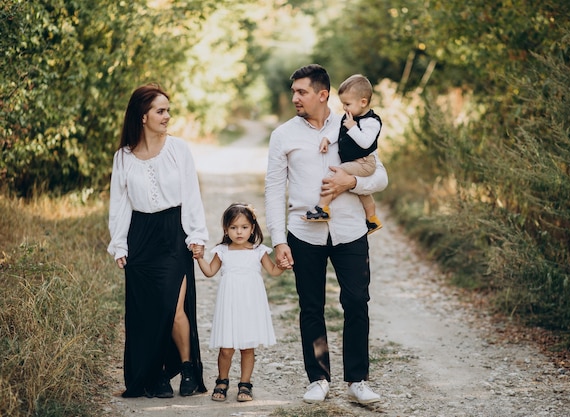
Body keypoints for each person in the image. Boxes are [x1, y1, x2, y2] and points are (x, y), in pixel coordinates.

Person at [264, 64, 388, 405]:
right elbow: (274, 190)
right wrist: (278, 240)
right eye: (293, 92)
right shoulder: (283, 135)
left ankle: (357, 381)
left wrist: (352, 182)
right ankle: (318, 378)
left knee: (356, 302)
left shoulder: (353, 124)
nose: (295, 98)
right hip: (304, 232)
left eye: (301, 92)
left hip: (349, 230)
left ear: (323, 94)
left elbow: (380, 176)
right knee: (311, 306)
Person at [107, 84, 208, 398]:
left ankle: (188, 368)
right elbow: (120, 204)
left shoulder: (178, 149)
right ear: (142, 116)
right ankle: (157, 374)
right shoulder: (123, 157)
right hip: (141, 237)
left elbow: (191, 194)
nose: (167, 116)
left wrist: (196, 235)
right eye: (160, 111)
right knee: (147, 313)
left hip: (173, 234)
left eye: (167, 110)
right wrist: (119, 243)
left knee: (174, 308)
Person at [193, 203, 288, 402]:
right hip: (229, 303)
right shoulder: (222, 251)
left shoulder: (258, 250)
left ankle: (245, 384)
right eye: (234, 228)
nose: (239, 232)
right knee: (226, 348)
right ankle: (222, 380)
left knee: (247, 346)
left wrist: (283, 266)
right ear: (226, 229)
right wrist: (199, 258)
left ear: (252, 228)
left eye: (244, 227)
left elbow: (273, 271)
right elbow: (209, 272)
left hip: (250, 303)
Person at [302, 74, 383, 234]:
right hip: (358, 162)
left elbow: (366, 142)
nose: (344, 108)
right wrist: (327, 139)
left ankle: (322, 208)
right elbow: (339, 131)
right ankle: (372, 219)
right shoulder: (350, 117)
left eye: (347, 104)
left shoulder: (371, 122)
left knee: (334, 174)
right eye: (343, 104)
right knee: (362, 192)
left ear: (363, 102)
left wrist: (353, 127)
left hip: (365, 162)